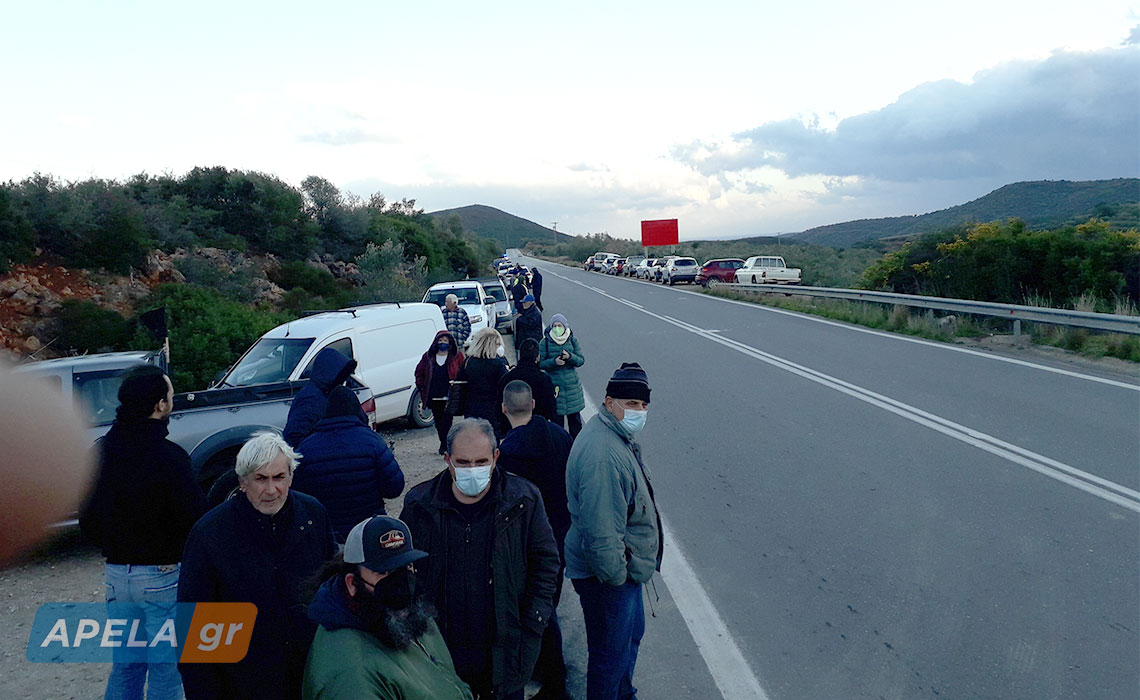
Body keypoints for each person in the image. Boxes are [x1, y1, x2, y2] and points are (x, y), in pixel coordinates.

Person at [400, 419, 560, 700]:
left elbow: (546, 564)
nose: (472, 469)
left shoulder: (523, 501)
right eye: (463, 462)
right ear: (447, 459)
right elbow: (405, 573)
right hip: (442, 655)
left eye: (481, 461)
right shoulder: (420, 506)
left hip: (506, 653)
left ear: (495, 457)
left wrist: (533, 623)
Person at [79, 365, 208, 700]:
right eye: (170, 394)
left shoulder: (100, 452)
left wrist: (115, 546)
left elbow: (87, 518)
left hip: (116, 575)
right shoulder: (171, 457)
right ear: (160, 405)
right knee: (166, 669)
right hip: (162, 577)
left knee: (126, 666)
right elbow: (195, 521)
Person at [178, 432, 337, 700]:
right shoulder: (211, 534)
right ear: (242, 482)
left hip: (308, 677)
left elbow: (332, 592)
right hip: (243, 683)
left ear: (291, 477)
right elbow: (193, 632)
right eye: (261, 479)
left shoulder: (313, 515)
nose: (271, 489)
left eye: (279, 477)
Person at [564, 363, 663, 700]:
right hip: (608, 578)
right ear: (609, 402)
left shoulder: (612, 435)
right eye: (631, 404)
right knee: (609, 656)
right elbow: (603, 535)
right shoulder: (603, 455)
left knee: (627, 640)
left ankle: (623, 693)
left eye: (643, 405)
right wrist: (618, 579)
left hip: (622, 571)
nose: (639, 412)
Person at [302, 516, 474, 700]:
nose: (400, 583)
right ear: (352, 583)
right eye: (384, 572)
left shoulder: (408, 616)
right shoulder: (351, 675)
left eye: (406, 566)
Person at [497, 382, 573, 700]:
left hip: (524, 544)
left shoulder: (505, 455)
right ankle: (550, 670)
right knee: (548, 601)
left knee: (534, 608)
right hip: (561, 534)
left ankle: (551, 674)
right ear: (532, 404)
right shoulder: (560, 437)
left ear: (504, 409)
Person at [292, 386, 405, 542]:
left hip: (327, 536)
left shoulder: (305, 449)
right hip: (369, 532)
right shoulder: (373, 442)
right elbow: (394, 488)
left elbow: (297, 497)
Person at [284, 347, 357, 447]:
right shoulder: (311, 399)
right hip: (308, 453)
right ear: (331, 375)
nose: (343, 382)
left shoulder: (321, 393)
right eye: (341, 378)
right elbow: (294, 436)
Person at [415, 329, 465, 454]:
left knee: (447, 421)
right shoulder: (428, 356)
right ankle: (443, 443)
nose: (443, 343)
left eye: (445, 341)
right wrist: (422, 387)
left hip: (450, 395)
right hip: (434, 395)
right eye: (440, 340)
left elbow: (463, 371)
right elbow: (419, 372)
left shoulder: (456, 356)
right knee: (438, 421)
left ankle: (447, 445)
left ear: (450, 342)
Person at [537, 314, 585, 438]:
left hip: (572, 389)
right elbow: (540, 363)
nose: (557, 328)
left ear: (565, 326)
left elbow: (580, 360)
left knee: (575, 425)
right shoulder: (545, 342)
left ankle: (576, 447)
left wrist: (570, 357)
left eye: (559, 325)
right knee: (557, 427)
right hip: (555, 388)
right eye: (555, 326)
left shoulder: (572, 340)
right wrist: (554, 362)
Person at [457, 327, 509, 438]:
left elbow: (460, 382)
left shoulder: (468, 362)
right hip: (493, 410)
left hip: (471, 408)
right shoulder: (498, 364)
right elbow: (505, 385)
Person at [497, 339, 556, 423]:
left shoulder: (506, 378)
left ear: (519, 356)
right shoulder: (544, 379)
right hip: (538, 425)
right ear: (538, 357)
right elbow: (551, 408)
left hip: (512, 425)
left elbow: (499, 405)